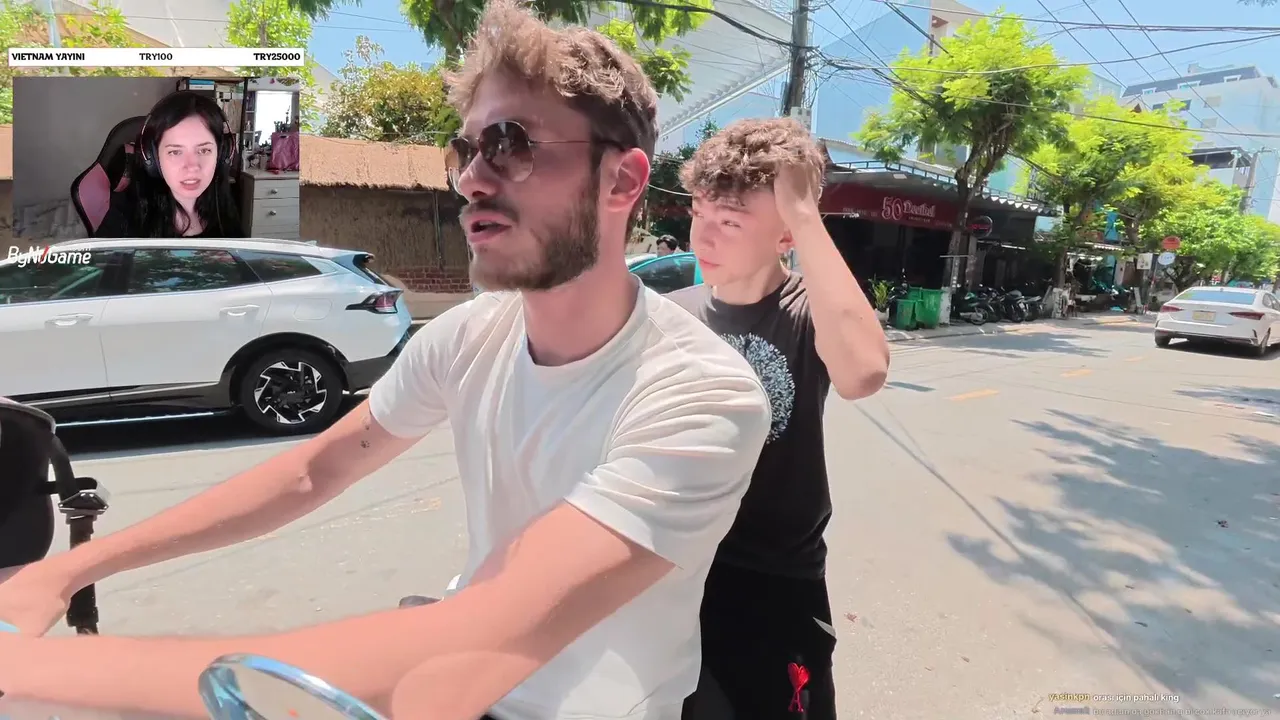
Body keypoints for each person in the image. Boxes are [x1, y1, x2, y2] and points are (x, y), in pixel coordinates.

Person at [0, 4, 771, 719]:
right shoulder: (468, 336)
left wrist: (29, 670)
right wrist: (63, 571)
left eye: (511, 145)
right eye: (466, 149)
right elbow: (312, 471)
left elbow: (472, 641)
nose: (472, 178)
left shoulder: (702, 396)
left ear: (622, 179)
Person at [671, 117, 890, 720]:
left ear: (786, 234)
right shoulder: (670, 317)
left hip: (776, 580)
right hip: (677, 569)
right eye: (700, 214)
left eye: (731, 222)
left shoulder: (807, 312)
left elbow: (863, 373)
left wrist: (802, 208)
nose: (704, 237)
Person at [95, 90, 244, 238]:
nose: (192, 167)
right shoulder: (125, 214)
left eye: (204, 150)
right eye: (175, 152)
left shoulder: (223, 205)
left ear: (222, 154)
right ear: (152, 157)